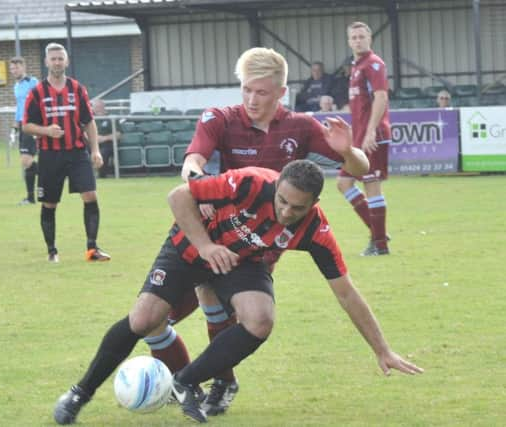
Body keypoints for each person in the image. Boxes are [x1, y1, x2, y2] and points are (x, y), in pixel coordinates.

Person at [52, 160, 423, 425]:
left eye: (298, 207)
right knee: (144, 319)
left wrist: (382, 349)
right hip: (189, 246)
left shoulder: (315, 231)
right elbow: (179, 196)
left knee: (260, 319)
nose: (286, 211)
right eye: (282, 201)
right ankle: (79, 394)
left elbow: (346, 293)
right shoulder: (249, 182)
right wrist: (206, 245)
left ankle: (185, 382)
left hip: (242, 262)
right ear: (277, 186)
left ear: (314, 205)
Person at [142, 46, 370, 417]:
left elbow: (360, 168)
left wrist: (348, 153)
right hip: (216, 228)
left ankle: (209, 382)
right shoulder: (222, 118)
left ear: (281, 93)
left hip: (259, 244)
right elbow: (192, 161)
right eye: (246, 89)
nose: (251, 99)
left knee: (221, 306)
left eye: (261, 92)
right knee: (157, 318)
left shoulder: (301, 127)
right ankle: (199, 381)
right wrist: (198, 184)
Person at [22, 43, 110, 263]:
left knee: (90, 195)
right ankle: (52, 251)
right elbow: (26, 126)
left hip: (77, 152)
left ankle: (92, 249)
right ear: (46, 62)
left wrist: (95, 150)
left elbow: (88, 121)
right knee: (50, 203)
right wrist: (46, 131)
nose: (57, 62)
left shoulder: (77, 89)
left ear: (67, 61)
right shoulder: (36, 92)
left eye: (61, 58)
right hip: (50, 155)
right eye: (53, 59)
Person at [337, 21, 392, 256]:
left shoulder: (374, 64)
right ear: (349, 41)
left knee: (371, 187)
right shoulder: (356, 67)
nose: (358, 40)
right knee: (343, 183)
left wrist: (371, 131)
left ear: (369, 39)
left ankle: (380, 245)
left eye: (361, 36)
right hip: (359, 138)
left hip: (373, 136)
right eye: (354, 37)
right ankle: (378, 232)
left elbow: (381, 97)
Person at [9, 56, 39, 205]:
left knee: (26, 161)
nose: (14, 71)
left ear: (23, 67)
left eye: (16, 68)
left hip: (31, 124)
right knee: (26, 162)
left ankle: (31, 197)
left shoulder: (33, 83)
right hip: (22, 124)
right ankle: (31, 198)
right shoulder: (16, 86)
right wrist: (14, 128)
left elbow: (41, 103)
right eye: (12, 69)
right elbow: (19, 108)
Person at [91, 99, 121, 178]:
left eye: (100, 107)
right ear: (93, 108)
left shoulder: (111, 118)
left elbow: (118, 134)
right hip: (92, 143)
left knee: (103, 152)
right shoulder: (89, 118)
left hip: (107, 143)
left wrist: (104, 138)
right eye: (96, 107)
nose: (98, 109)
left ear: (104, 107)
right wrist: (94, 138)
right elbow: (83, 132)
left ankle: (101, 176)